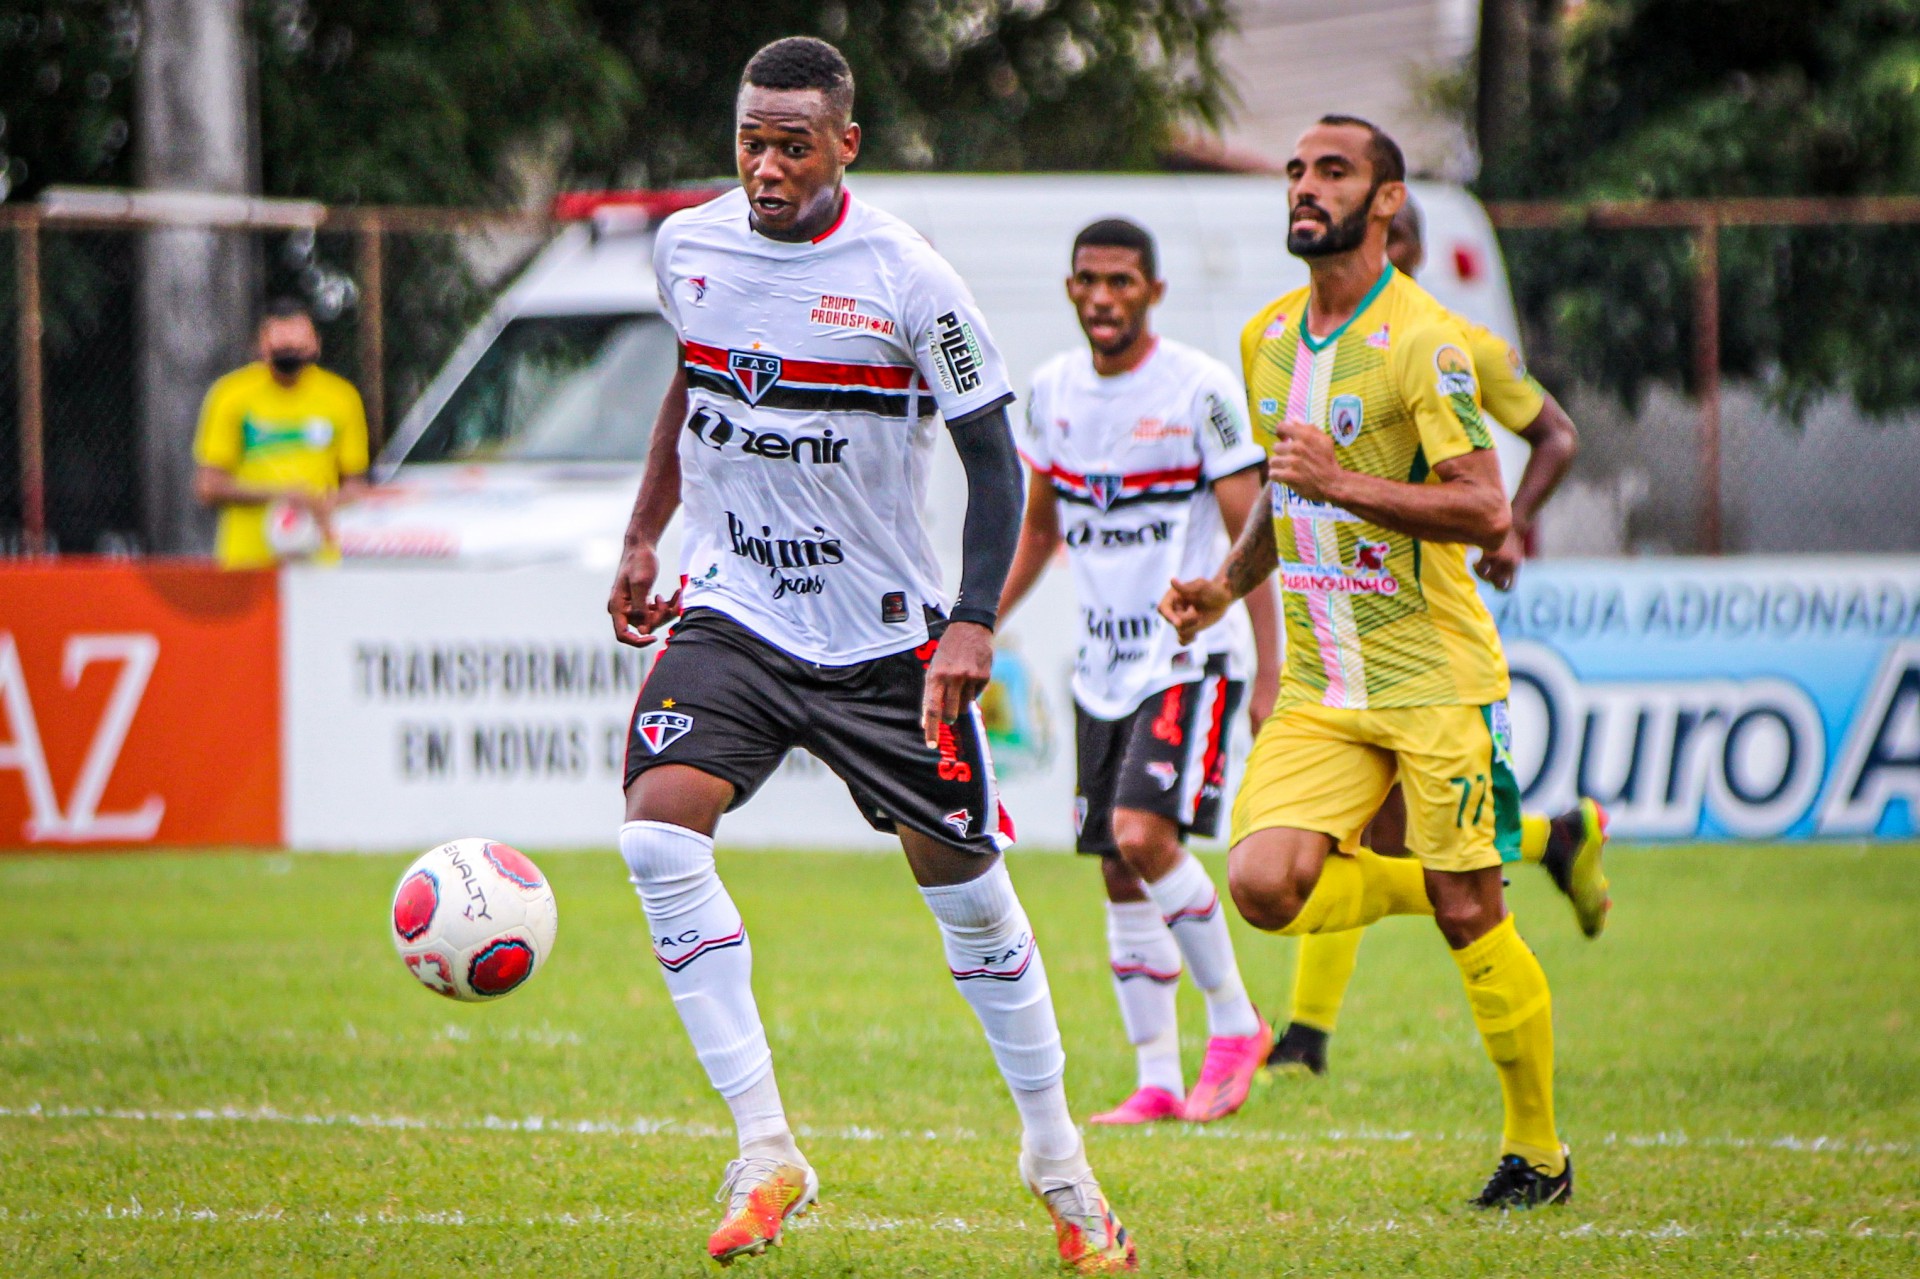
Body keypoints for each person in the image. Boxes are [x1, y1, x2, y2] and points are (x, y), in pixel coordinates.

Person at [606, 37, 1135, 1272]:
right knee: (654, 833)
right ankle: (764, 1145)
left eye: (793, 143)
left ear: (848, 143)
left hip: (888, 642)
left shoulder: (910, 280)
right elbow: (692, 388)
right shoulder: (688, 248)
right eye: (750, 139)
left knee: (967, 893)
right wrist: (645, 534)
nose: (766, 165)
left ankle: (1058, 1159)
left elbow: (997, 460)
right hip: (736, 611)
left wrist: (972, 619)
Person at [1162, 115, 1574, 1208]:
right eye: (1297, 171)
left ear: (1385, 202)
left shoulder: (1427, 344)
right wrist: (1223, 584)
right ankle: (1470, 873)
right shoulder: (1265, 339)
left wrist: (1344, 481)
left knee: (1475, 914)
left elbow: (1486, 507)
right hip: (1323, 686)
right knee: (1261, 883)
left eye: (1332, 172)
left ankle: (1539, 1152)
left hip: (1435, 677)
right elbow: (1282, 497)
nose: (1305, 188)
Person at [1265, 195, 1612, 1080]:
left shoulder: (1451, 343)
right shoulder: (1306, 349)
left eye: (1411, 241)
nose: (1402, 256)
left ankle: (1310, 1030)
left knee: (1411, 860)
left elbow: (1555, 435)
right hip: (1339, 651)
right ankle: (1549, 839)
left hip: (1430, 632)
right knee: (1363, 848)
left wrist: (1514, 526)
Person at [998, 218, 1279, 1127]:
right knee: (1119, 871)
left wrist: (1271, 670)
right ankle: (1157, 1073)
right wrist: (973, 623)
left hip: (1188, 657)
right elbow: (1040, 529)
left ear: (1153, 291)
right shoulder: (1049, 394)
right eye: (1089, 280)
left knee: (1144, 836)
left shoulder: (1199, 390)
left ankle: (1235, 1024)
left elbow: (1253, 539)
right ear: (1071, 288)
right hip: (1102, 669)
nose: (1104, 297)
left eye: (1123, 281)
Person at [192, 297, 368, 568]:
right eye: (281, 346)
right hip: (248, 564)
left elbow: (356, 485)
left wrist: (324, 503)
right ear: (261, 346)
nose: (290, 354)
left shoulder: (341, 398)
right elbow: (208, 487)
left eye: (298, 345)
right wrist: (282, 495)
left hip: (318, 564)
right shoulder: (230, 395)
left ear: (315, 345)